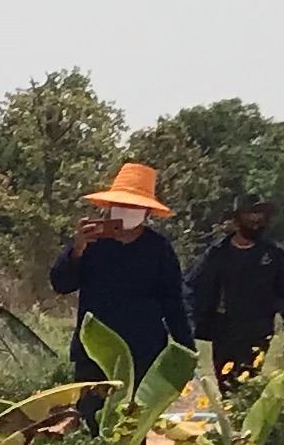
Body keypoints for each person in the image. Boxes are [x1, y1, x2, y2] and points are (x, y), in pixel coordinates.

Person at [46, 161, 192, 396]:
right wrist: (77, 250)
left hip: (143, 353)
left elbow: (174, 303)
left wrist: (187, 352)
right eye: (121, 204)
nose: (125, 210)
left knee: (133, 417)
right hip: (93, 353)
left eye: (133, 206)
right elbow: (60, 284)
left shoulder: (159, 249)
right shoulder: (91, 242)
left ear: (146, 212)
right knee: (91, 414)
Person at [187, 197, 284, 389]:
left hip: (258, 331)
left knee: (247, 385)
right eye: (250, 213)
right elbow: (194, 288)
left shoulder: (274, 255)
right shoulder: (218, 253)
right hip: (224, 330)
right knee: (226, 385)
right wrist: (187, 327)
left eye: (260, 214)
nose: (255, 219)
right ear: (237, 218)